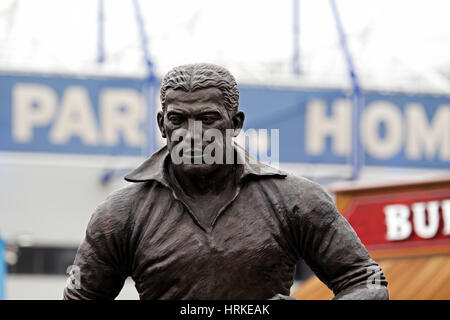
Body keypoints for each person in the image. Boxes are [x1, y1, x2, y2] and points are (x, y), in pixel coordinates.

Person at [63, 63, 388, 300]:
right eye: (178, 120)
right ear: (162, 125)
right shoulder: (120, 214)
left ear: (235, 123)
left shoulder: (297, 200)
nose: (192, 134)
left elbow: (368, 284)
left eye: (207, 119)